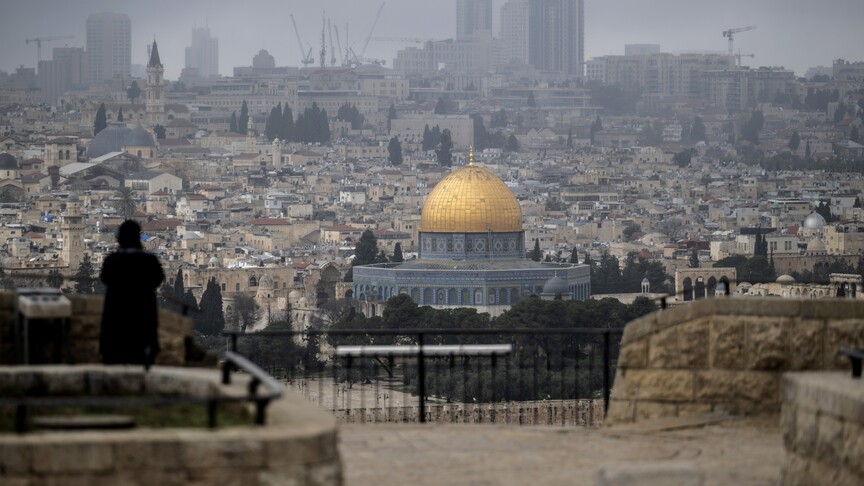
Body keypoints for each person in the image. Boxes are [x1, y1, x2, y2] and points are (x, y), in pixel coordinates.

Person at [99, 220, 165, 367]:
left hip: (117, 313)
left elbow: (105, 278)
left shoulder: (112, 260)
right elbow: (157, 279)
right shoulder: (149, 260)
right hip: (142, 313)